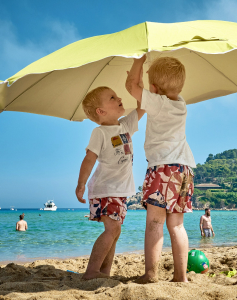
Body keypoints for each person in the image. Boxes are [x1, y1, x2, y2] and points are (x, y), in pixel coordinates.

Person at [126, 55, 196, 283]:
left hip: (163, 168)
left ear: (154, 89)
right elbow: (141, 92)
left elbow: (131, 87)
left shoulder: (158, 102)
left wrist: (138, 62)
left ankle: (151, 274)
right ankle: (180, 277)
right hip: (184, 168)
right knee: (177, 225)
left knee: (155, 222)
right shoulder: (181, 104)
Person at [75, 80, 145, 280]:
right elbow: (89, 159)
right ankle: (91, 271)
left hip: (120, 191)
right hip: (105, 189)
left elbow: (143, 106)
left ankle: (104, 272)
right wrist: (81, 184)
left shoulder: (126, 125)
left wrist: (138, 84)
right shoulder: (100, 133)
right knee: (112, 228)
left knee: (116, 231)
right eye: (112, 98)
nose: (119, 98)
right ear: (101, 111)